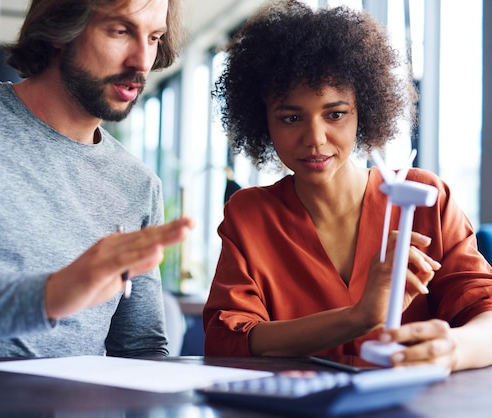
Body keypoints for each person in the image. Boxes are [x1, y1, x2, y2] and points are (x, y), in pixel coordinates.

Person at [202, 0, 492, 372]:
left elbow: (485, 313)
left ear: (364, 111)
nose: (315, 139)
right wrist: (357, 317)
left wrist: (452, 348)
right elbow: (227, 340)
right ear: (264, 122)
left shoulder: (424, 202)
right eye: (291, 118)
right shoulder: (250, 215)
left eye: (335, 114)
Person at [0, 0, 194, 358]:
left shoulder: (139, 185)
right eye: (120, 31)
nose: (142, 61)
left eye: (154, 37)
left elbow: (141, 349)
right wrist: (53, 293)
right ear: (61, 30)